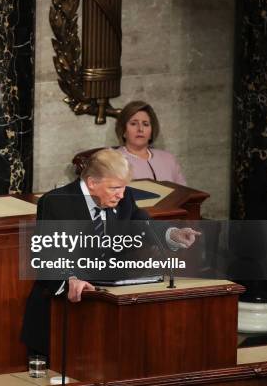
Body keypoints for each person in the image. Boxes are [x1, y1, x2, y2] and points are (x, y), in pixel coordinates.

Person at [21, 149, 199, 358]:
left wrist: (173, 235)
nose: (121, 194)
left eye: (124, 187)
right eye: (115, 188)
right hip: (60, 316)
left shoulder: (124, 198)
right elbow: (46, 257)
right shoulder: (56, 202)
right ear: (92, 183)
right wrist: (69, 278)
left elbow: (143, 225)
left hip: (106, 317)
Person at [115, 100, 186, 185]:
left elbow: (184, 193)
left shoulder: (168, 159)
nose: (140, 129)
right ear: (123, 131)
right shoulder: (112, 160)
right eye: (133, 124)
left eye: (145, 124)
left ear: (151, 132)